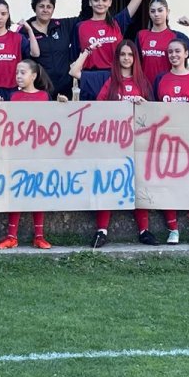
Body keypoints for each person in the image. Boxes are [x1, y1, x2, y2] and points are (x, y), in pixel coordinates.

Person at [72, 40, 156, 248]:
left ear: (135, 58)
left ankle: (144, 230)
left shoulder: (143, 82)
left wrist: (143, 106)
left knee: (138, 185)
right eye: (123, 55)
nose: (126, 58)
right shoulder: (110, 81)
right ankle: (102, 230)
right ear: (117, 58)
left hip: (137, 142)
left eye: (130, 55)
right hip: (113, 143)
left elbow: (153, 114)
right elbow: (100, 109)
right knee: (107, 183)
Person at [0, 59, 61, 250]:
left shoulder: (44, 97)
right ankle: (11, 236)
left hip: (38, 152)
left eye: (22, 72)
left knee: (37, 192)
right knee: (16, 191)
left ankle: (39, 236)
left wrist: (62, 105)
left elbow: (52, 122)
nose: (18, 76)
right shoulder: (12, 97)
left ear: (33, 76)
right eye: (16, 73)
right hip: (17, 152)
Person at [152, 38, 189, 245]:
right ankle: (173, 229)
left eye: (177, 51)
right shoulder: (160, 79)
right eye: (170, 52)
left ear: (186, 54)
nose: (173, 55)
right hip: (165, 142)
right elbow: (154, 109)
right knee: (169, 186)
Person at [74, 0, 144, 100]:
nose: (100, 3)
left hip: (115, 76)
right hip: (90, 77)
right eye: (96, 0)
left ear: (110, 2)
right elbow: (75, 56)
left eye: (104, 0)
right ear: (90, 2)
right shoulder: (80, 26)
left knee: (114, 119)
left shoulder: (117, 22)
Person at [20, 0, 91, 101]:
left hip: (64, 87)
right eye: (41, 6)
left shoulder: (62, 25)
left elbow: (84, 18)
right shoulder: (24, 31)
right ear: (35, 8)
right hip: (39, 87)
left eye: (49, 7)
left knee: (62, 118)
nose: (45, 10)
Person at [135, 0, 189, 80]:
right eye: (153, 11)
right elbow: (135, 64)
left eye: (160, 10)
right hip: (145, 89)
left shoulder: (176, 36)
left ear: (167, 12)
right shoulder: (141, 36)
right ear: (149, 13)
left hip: (168, 88)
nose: (156, 14)